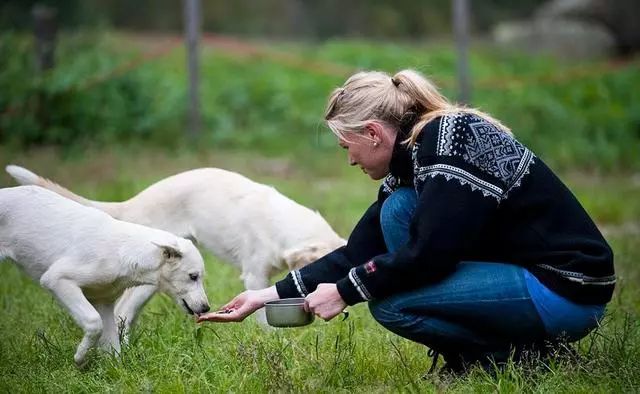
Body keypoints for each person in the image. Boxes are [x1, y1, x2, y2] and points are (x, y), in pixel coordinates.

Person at [197, 69, 615, 373]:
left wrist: (345, 291)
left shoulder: (448, 143)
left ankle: (518, 358)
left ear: (374, 133)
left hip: (566, 290)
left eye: (349, 145)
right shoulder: (414, 156)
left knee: (393, 304)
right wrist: (266, 295)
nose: (349, 159)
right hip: (524, 273)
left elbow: (431, 255)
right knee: (397, 210)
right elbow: (360, 249)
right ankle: (496, 353)